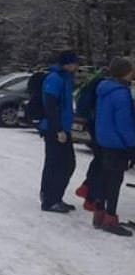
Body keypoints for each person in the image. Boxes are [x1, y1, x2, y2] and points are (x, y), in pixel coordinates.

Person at [93, 57, 135, 236]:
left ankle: (99, 214)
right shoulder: (121, 93)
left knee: (104, 178)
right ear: (125, 71)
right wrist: (133, 144)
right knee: (114, 181)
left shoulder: (104, 89)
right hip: (118, 143)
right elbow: (124, 124)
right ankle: (110, 219)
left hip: (104, 139)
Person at [39, 50, 79, 213]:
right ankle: (50, 200)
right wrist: (59, 130)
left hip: (61, 127)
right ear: (67, 64)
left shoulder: (65, 78)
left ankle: (52, 196)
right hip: (55, 128)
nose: (77, 66)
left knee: (59, 163)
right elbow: (51, 105)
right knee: (63, 164)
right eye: (75, 63)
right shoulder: (55, 79)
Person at [74, 64, 108, 213]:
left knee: (99, 158)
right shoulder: (105, 84)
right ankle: (92, 197)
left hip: (93, 124)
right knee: (104, 161)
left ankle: (87, 187)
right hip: (100, 124)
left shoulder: (96, 80)